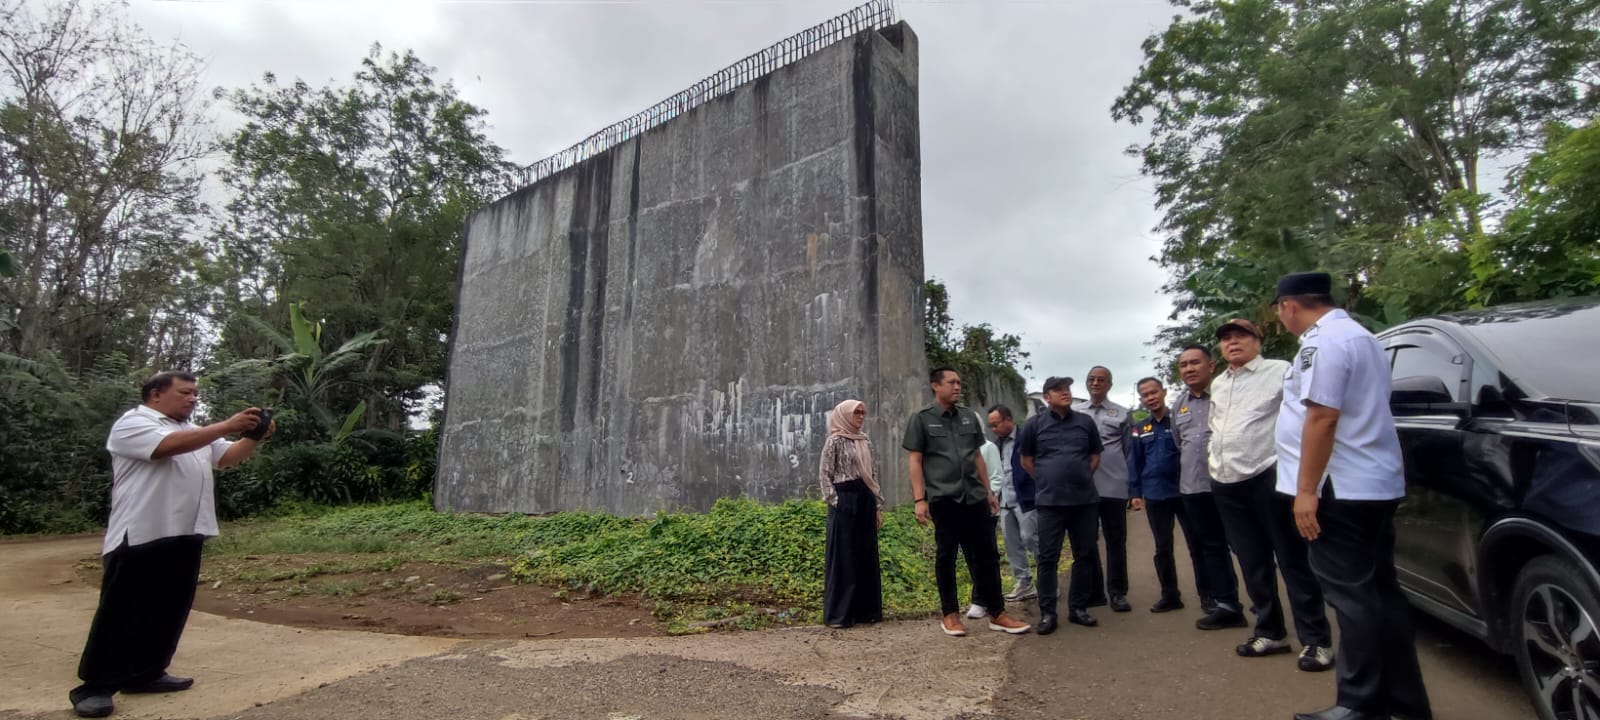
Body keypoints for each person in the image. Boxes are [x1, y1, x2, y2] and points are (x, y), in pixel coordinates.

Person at [70, 372, 274, 719]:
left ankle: (146, 673)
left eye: (195, 393)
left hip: (187, 531)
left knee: (169, 609)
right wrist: (228, 425)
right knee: (122, 613)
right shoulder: (134, 423)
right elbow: (165, 448)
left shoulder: (193, 432)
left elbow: (227, 457)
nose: (193, 399)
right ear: (155, 395)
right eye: (185, 392)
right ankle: (95, 687)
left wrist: (253, 436)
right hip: (140, 532)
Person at [1275, 272, 1432, 720]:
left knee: (1352, 598)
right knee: (1381, 593)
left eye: (1280, 310)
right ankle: (1405, 704)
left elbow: (1323, 417)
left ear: (1289, 305)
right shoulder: (1362, 337)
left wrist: (1306, 491)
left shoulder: (1323, 342)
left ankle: (1359, 704)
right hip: (1370, 484)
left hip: (1339, 489)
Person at [1207, 318, 1335, 671]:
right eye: (1226, 338)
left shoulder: (1280, 371)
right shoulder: (1219, 383)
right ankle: (1270, 631)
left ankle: (1315, 640)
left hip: (1269, 475)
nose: (1233, 342)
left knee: (1292, 559)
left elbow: (1305, 416)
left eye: (1241, 336)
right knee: (1252, 562)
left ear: (1257, 341)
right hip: (1227, 480)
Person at [903, 367, 1031, 637]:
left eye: (959, 382)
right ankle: (950, 614)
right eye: (951, 382)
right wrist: (919, 499)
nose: (957, 387)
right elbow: (915, 460)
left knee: (988, 556)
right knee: (946, 557)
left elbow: (977, 456)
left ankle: (997, 613)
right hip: (944, 498)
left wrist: (989, 492)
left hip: (975, 497)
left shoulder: (969, 417)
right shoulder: (922, 419)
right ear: (935, 385)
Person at [1018, 376, 1103, 635]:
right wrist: (1047, 480)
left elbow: (1095, 455)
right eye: (1058, 390)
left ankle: (1078, 608)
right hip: (1050, 503)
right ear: (1047, 397)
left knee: (1084, 555)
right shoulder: (1034, 425)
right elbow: (1026, 460)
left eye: (1067, 388)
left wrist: (1081, 477)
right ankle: (1048, 614)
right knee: (1047, 558)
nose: (1065, 392)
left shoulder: (1085, 422)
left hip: (1084, 501)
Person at [1170, 345, 1244, 623]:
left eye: (1195, 363)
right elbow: (1180, 442)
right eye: (1183, 365)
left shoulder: (1227, 394)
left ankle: (1265, 609)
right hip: (1194, 487)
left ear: (1211, 366)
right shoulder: (1179, 404)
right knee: (1211, 547)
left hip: (1231, 483)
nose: (1189, 369)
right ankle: (1227, 605)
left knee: (1247, 546)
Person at [1126, 377, 1198, 613]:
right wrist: (1135, 493)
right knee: (1163, 548)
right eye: (1145, 395)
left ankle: (1209, 596)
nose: (1151, 397)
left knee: (1196, 545)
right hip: (1155, 494)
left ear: (1164, 392)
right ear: (1142, 399)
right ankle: (1170, 596)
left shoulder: (1179, 421)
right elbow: (1135, 462)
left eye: (1154, 392)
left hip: (1184, 491)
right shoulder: (1140, 428)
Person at [820, 399, 884, 629]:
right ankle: (840, 615)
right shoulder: (834, 440)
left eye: (863, 413)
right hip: (844, 498)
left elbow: (872, 474)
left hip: (865, 498)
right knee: (844, 555)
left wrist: (876, 506)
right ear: (845, 414)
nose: (860, 417)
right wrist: (836, 501)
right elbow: (825, 474)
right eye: (856, 413)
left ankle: (866, 612)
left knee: (866, 554)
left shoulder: (865, 440)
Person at [1075, 366, 1133, 612]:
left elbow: (1129, 451)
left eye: (1101, 380)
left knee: (1116, 542)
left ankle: (1117, 592)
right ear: (1086, 383)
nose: (1096, 383)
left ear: (1109, 384)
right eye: (1091, 379)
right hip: (1085, 489)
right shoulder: (1076, 413)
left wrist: (1132, 487)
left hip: (1114, 487)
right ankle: (1095, 592)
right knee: (1087, 542)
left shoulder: (1122, 413)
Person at [988, 404, 1037, 603]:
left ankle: (1048, 581)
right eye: (991, 426)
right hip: (1005, 501)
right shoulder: (996, 445)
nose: (993, 429)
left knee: (1031, 538)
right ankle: (1024, 583)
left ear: (1008, 419)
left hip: (1026, 498)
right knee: (1012, 543)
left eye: (996, 424)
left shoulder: (1027, 437)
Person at [967, 430, 1008, 619]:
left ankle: (983, 601)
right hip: (967, 508)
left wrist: (988, 497)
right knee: (972, 556)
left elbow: (997, 476)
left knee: (986, 555)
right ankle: (980, 599)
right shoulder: (959, 450)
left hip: (985, 508)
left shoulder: (988, 447)